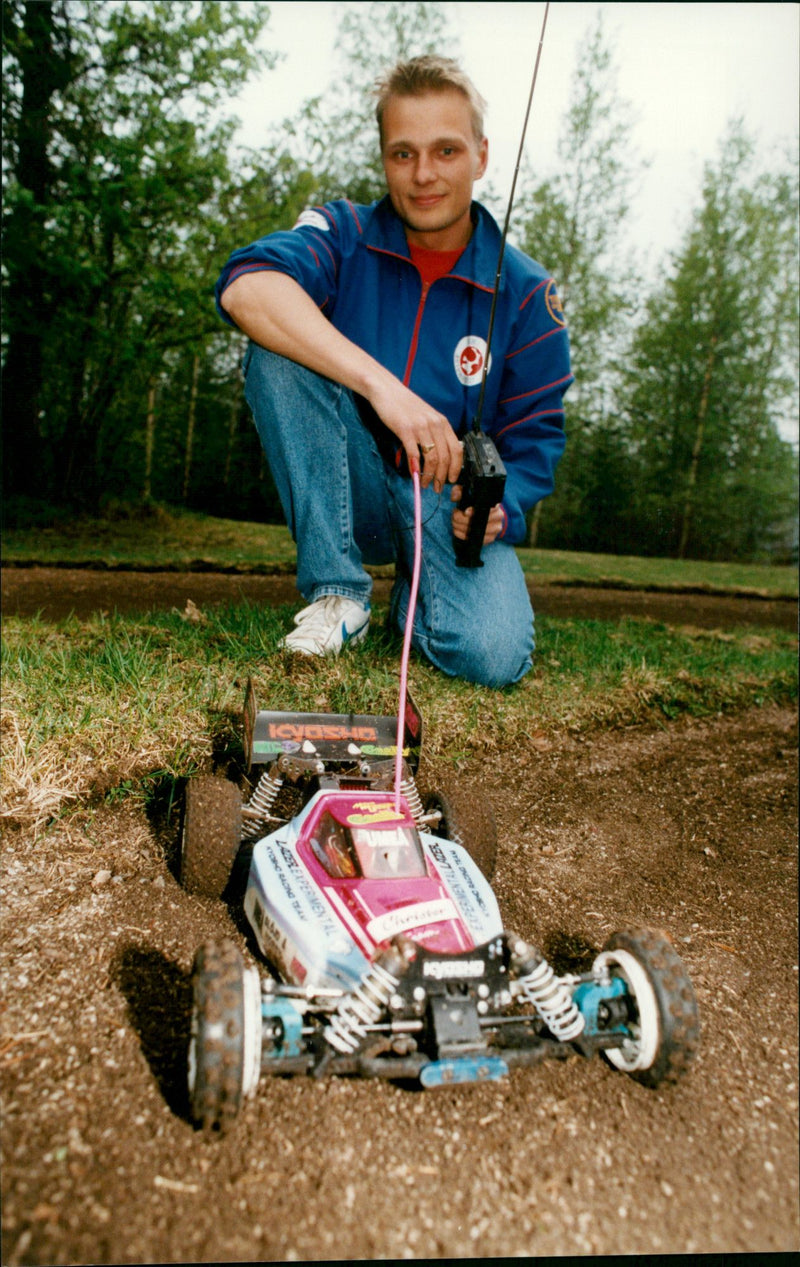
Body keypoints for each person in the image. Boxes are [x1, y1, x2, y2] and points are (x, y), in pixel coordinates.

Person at [215, 55, 573, 688]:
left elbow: (537, 437)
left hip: (442, 498)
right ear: (383, 158)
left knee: (490, 656)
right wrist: (384, 390)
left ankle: (419, 594)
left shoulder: (526, 292)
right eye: (403, 154)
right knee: (277, 348)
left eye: (446, 151)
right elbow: (248, 290)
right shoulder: (344, 231)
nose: (424, 175)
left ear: (482, 157)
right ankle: (339, 593)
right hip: (345, 476)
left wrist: (502, 508)